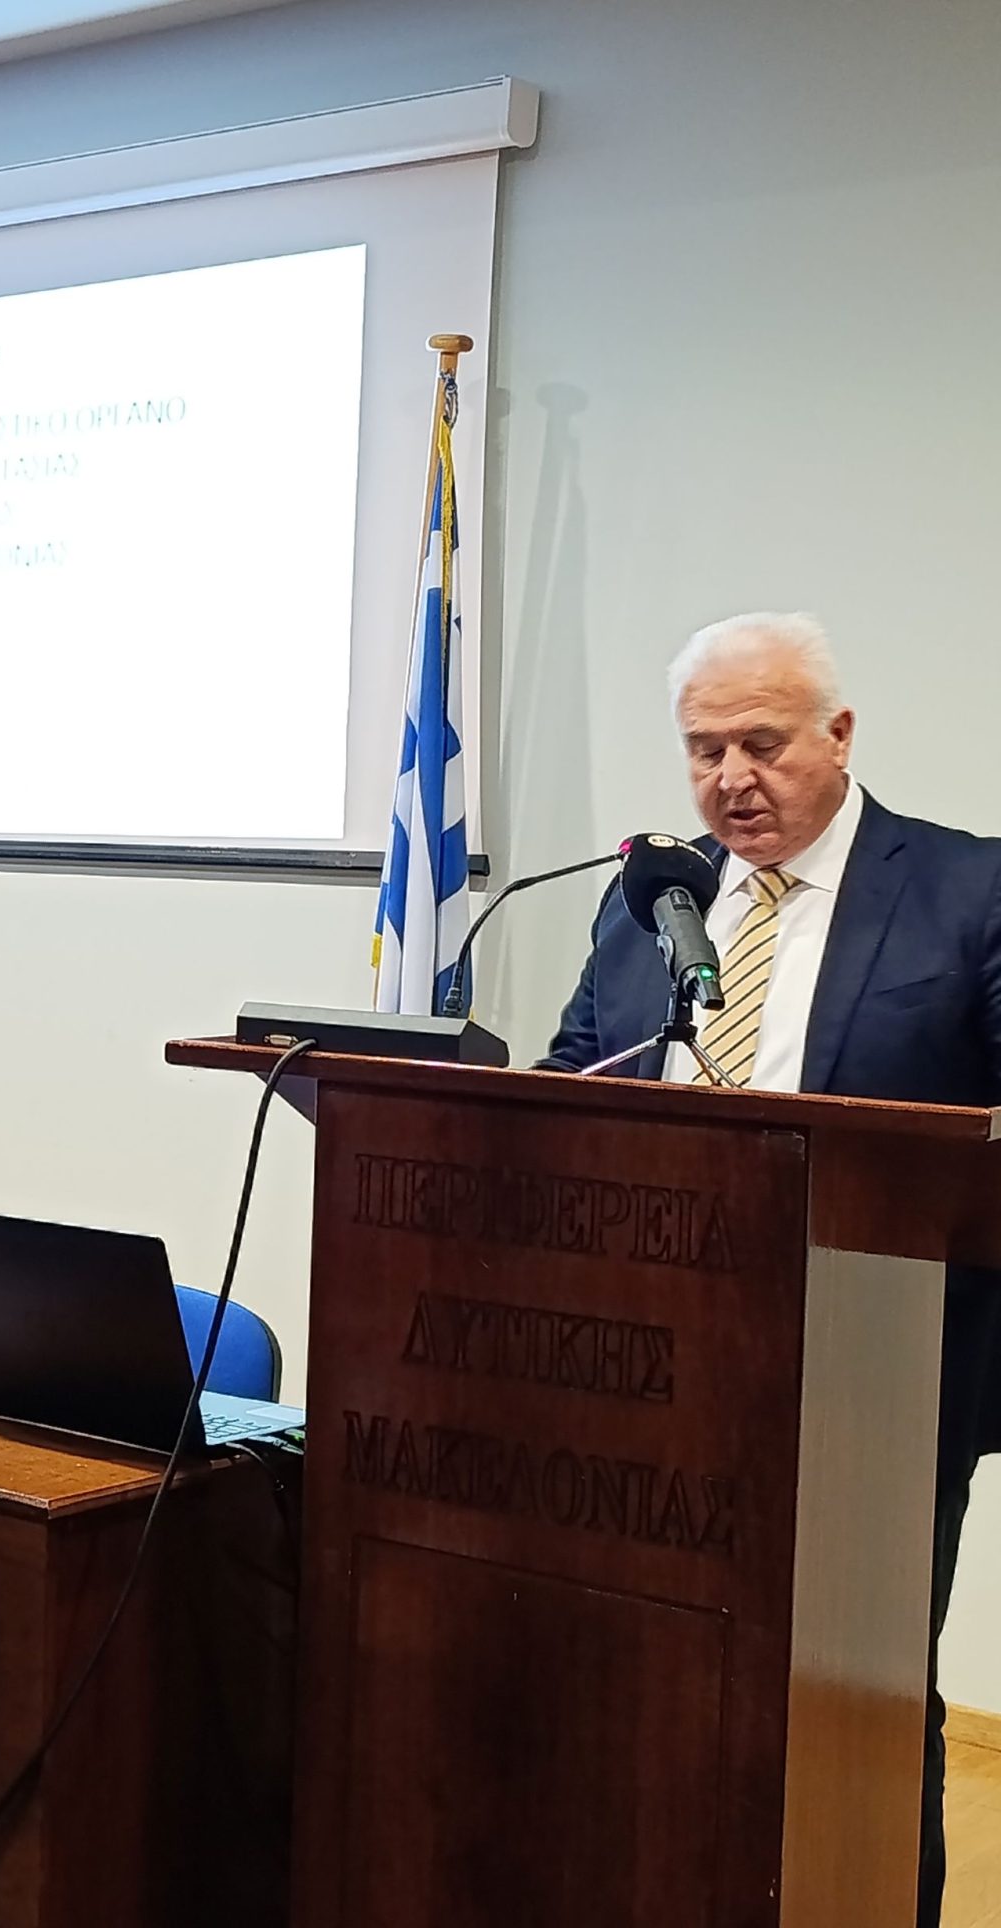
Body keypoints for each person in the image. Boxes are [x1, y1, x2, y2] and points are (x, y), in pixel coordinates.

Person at [540, 612, 1001, 1927]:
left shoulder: (967, 890)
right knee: (656, 1671)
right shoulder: (655, 901)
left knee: (859, 1699)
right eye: (704, 750)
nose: (730, 778)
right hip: (648, 1355)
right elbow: (574, 1079)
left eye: (761, 743)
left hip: (877, 1370)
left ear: (838, 736)